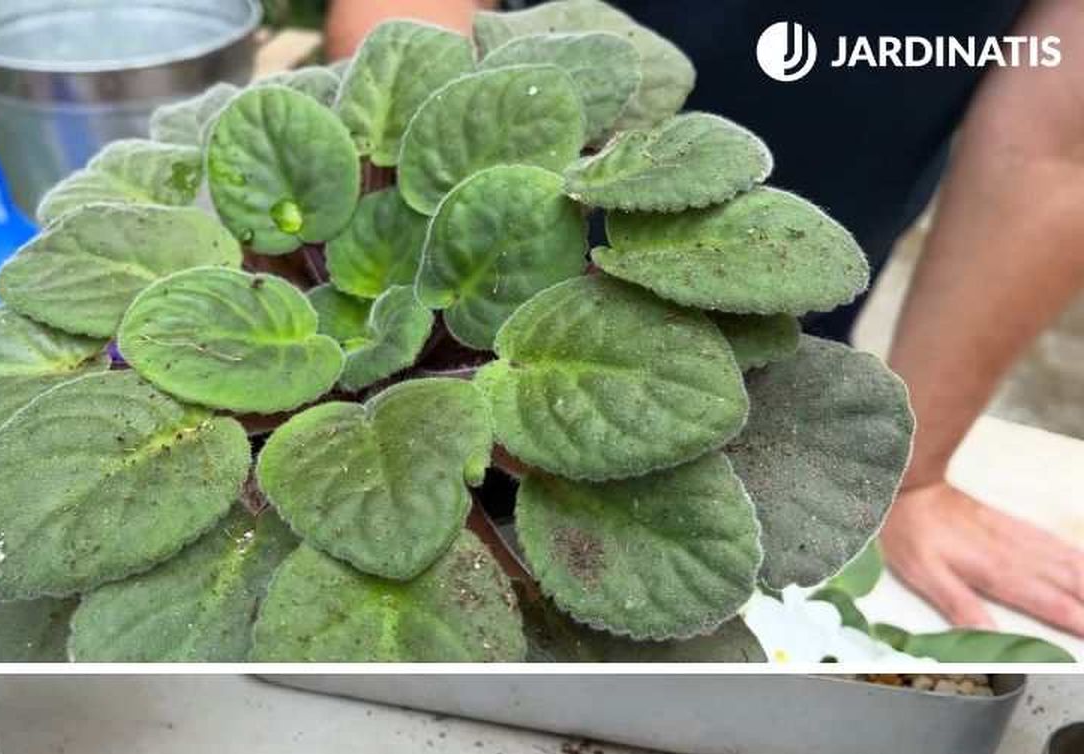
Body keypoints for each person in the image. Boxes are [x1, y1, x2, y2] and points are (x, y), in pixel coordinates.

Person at [325, 0, 1084, 638]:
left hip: (772, 326)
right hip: (512, 188)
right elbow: (409, 27)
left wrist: (914, 482)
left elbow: (1055, 144)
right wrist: (389, 211)